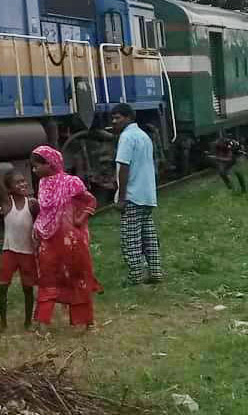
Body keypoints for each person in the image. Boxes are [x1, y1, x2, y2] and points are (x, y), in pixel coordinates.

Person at [28, 145, 101, 328]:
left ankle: (83, 321)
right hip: (49, 238)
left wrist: (80, 218)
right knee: (48, 275)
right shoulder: (43, 183)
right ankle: (42, 322)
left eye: (37, 166)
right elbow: (46, 211)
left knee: (76, 275)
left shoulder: (71, 182)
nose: (34, 170)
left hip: (71, 239)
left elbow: (90, 200)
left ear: (50, 164)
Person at [112, 104, 162, 285]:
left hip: (133, 196)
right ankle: (155, 272)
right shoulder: (144, 136)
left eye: (118, 118)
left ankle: (136, 276)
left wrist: (122, 197)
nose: (114, 122)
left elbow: (124, 166)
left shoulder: (126, 137)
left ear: (128, 118)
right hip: (147, 195)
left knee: (130, 238)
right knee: (148, 235)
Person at [0, 169, 37, 332]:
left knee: (28, 288)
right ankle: (3, 323)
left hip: (27, 252)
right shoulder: (7, 202)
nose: (23, 184)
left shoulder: (32, 204)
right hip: (9, 250)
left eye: (24, 181)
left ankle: (28, 322)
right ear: (9, 189)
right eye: (18, 183)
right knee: (2, 287)